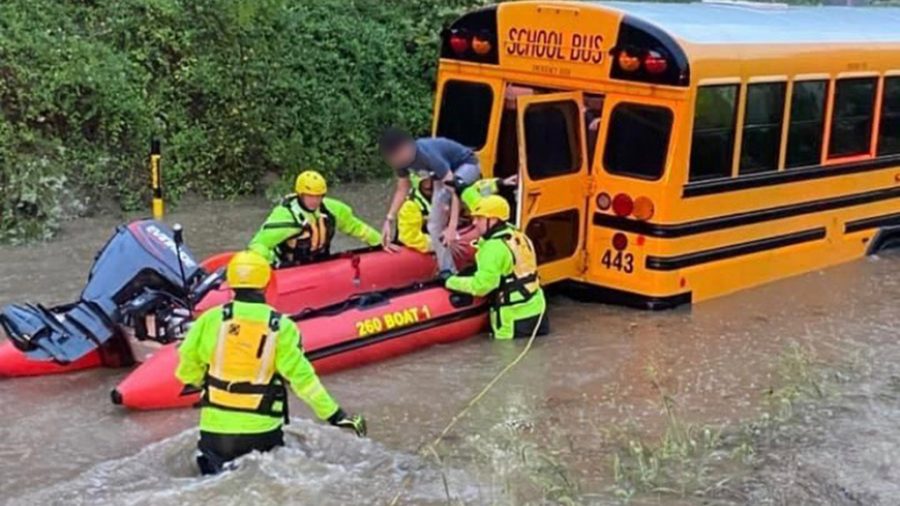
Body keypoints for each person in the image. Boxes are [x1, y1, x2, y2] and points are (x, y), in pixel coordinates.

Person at [176, 251, 367, 475]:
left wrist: (203, 381)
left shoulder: (210, 319)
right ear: (266, 284)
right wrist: (337, 416)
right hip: (262, 432)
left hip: (215, 433)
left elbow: (186, 367)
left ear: (231, 284)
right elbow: (303, 381)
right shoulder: (281, 326)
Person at [379, 128, 482, 275]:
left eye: (397, 158)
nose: (396, 162)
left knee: (443, 197)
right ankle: (448, 270)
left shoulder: (427, 155)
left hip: (467, 165)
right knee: (434, 225)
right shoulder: (401, 162)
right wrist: (389, 220)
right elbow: (403, 188)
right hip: (442, 176)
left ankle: (452, 261)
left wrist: (451, 227)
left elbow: (454, 189)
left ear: (407, 147)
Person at [445, 195, 549, 340]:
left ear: (493, 220)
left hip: (513, 320)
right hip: (537, 312)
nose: (474, 222)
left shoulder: (493, 248)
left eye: (479, 218)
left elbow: (481, 286)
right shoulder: (518, 236)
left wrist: (450, 281)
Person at [248, 170, 381, 267]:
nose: (315, 201)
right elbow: (257, 245)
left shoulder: (332, 209)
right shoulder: (285, 216)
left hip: (321, 264)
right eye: (310, 196)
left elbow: (358, 228)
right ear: (300, 194)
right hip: (290, 269)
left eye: (319, 196)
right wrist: (272, 263)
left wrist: (381, 243)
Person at [396, 174, 433, 253]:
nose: (431, 182)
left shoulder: (443, 195)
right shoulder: (410, 206)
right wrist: (438, 245)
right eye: (426, 179)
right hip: (415, 250)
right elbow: (409, 237)